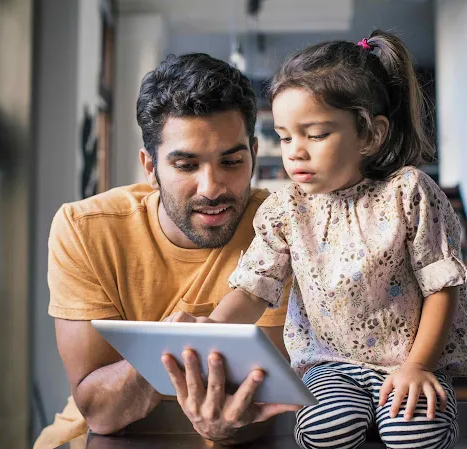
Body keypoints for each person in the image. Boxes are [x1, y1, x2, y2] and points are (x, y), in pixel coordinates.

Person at [170, 30, 467, 449]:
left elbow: (441, 288)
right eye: (285, 137)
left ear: (371, 135)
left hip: (410, 360)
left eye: (315, 135)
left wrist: (417, 367)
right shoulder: (285, 209)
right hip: (331, 366)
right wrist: (213, 326)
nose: (295, 152)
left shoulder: (409, 192)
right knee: (326, 431)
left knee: (413, 434)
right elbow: (253, 288)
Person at [33, 53, 297, 449]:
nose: (211, 188)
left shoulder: (283, 226)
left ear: (254, 156)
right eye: (186, 165)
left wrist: (226, 421)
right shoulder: (84, 229)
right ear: (149, 167)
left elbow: (266, 396)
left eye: (231, 161)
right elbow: (100, 411)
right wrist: (171, 346)